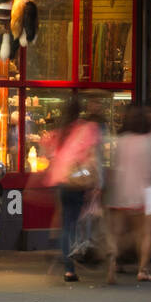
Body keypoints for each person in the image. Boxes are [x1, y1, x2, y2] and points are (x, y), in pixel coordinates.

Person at [45, 93, 104, 282]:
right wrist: (96, 180)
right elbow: (93, 156)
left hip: (63, 181)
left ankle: (69, 267)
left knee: (66, 224)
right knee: (79, 220)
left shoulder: (61, 132)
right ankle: (77, 257)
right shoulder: (88, 129)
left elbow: (51, 154)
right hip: (78, 181)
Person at [107, 104, 151, 283]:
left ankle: (112, 264)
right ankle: (142, 270)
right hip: (146, 191)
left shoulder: (122, 139)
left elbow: (115, 166)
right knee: (145, 233)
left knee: (117, 232)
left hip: (121, 190)